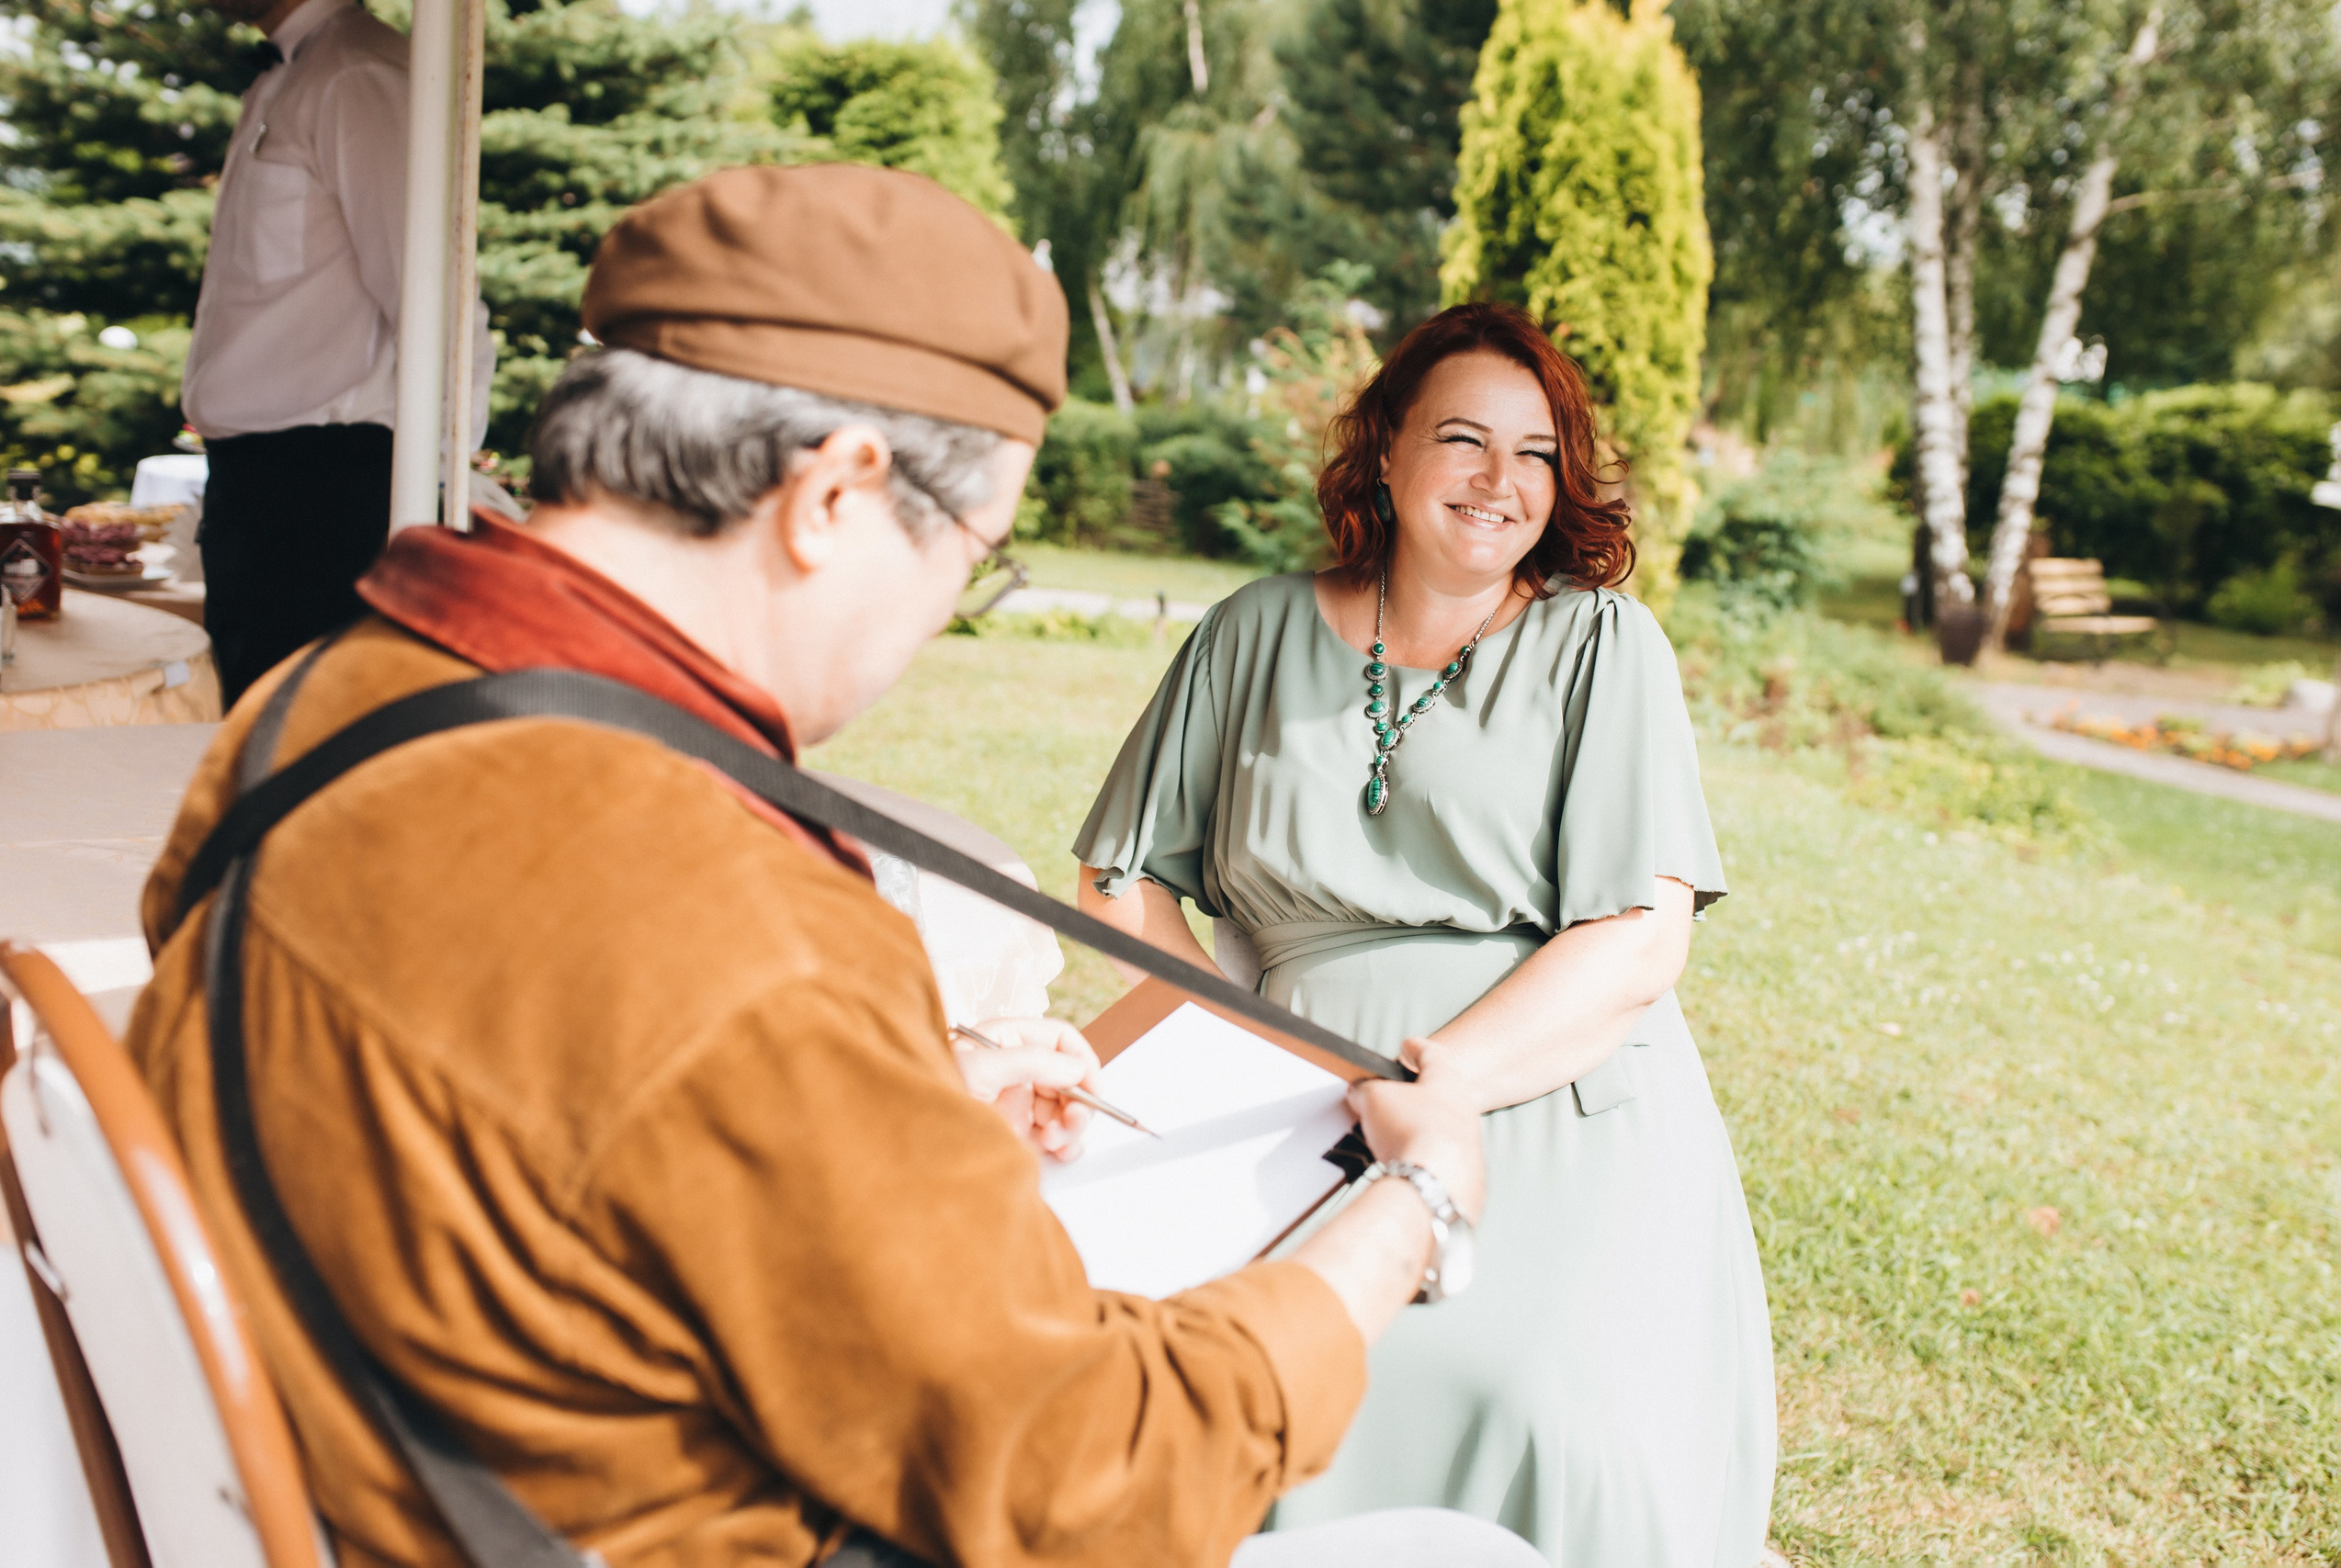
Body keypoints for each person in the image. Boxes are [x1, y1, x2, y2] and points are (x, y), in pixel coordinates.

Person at [126, 164, 1540, 1568]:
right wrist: (1407, 1215)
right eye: (975, 553)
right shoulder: (731, 918)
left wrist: (889, 1083)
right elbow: (1099, 1477)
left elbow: (526, 1077)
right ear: (836, 491)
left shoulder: (312, 708)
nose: (940, 615)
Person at [1074, 302, 1778, 1564]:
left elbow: (1636, 937)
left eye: (1536, 452)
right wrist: (1241, 1042)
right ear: (1386, 451)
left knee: (1531, 1398)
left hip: (1547, 1088)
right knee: (1228, 1362)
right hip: (1285, 1096)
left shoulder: (1601, 645)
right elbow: (1121, 877)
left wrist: (1437, 1079)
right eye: (1462, 438)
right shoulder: (1252, 630)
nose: (1499, 481)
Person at [185, 0, 494, 705]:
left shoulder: (355, 73)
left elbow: (436, 300)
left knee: (307, 755)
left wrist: (436, 491)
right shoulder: (291, 75)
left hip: (326, 496)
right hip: (266, 493)